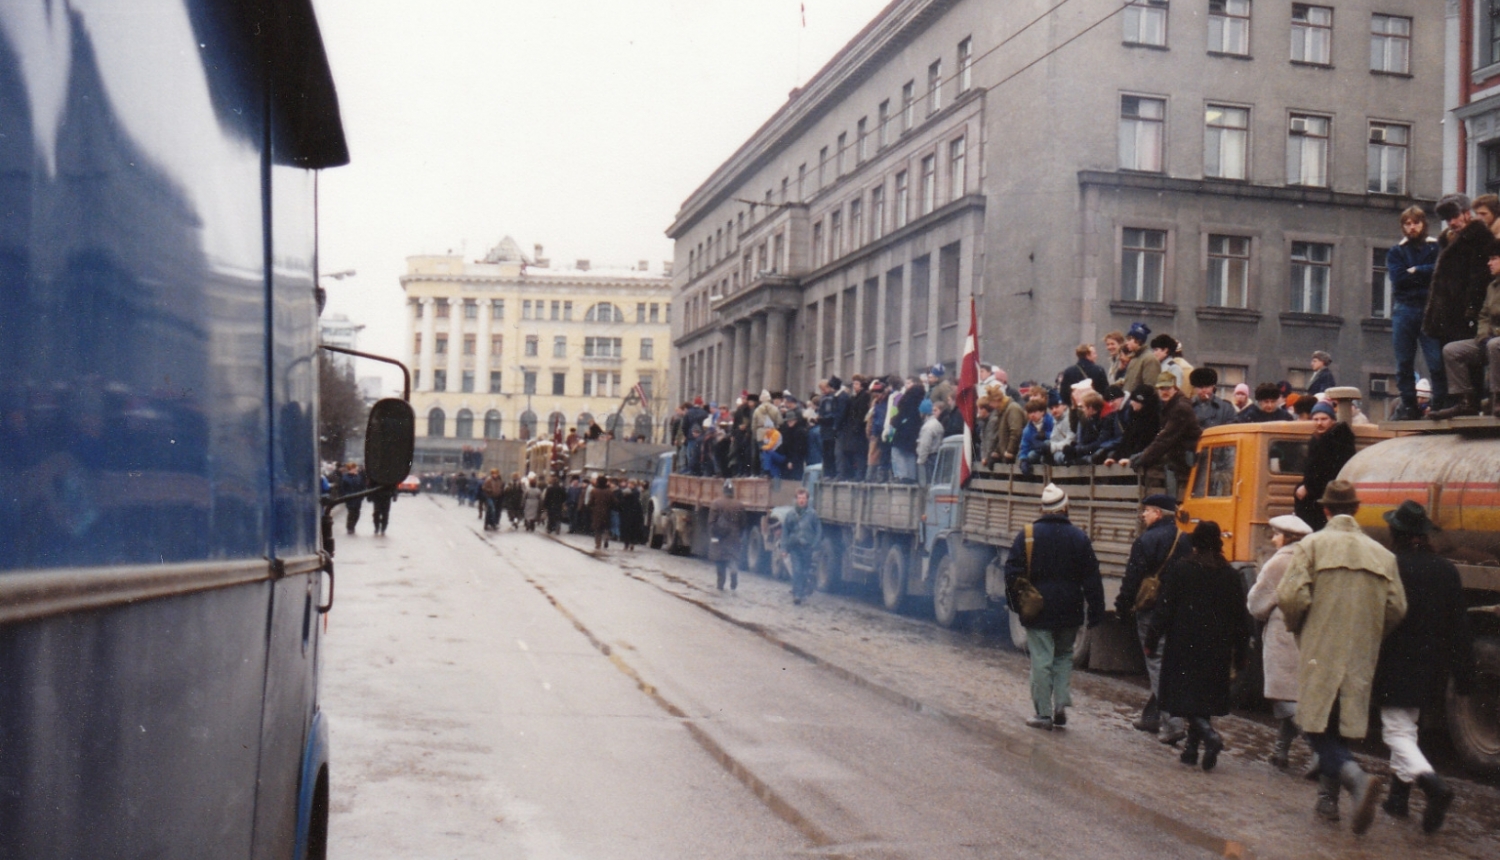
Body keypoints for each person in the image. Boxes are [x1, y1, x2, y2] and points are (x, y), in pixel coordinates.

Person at [1276, 480, 1406, 833]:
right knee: (1340, 724)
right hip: (1360, 652)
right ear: (1358, 509)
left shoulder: (1311, 546)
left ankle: (1355, 780)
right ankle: (1326, 801)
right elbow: (1396, 607)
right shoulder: (1383, 555)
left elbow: (1290, 597)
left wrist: (1301, 627)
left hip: (1320, 648)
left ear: (1325, 509)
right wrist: (1369, 634)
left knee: (1314, 724)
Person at [1374, 501, 1473, 832]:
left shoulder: (1390, 565)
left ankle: (1433, 786)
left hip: (1394, 659)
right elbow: (1459, 626)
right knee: (1408, 728)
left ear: (1396, 533)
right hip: (1432, 663)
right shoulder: (1446, 569)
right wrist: (1464, 675)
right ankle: (1398, 799)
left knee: (1395, 730)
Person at [1145, 522, 1249, 771]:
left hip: (1183, 644)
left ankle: (1208, 735)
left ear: (1195, 543)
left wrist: (1151, 639)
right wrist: (1241, 653)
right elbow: (1240, 619)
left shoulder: (1182, 569)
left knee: (1184, 697)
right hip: (1217, 647)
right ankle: (1191, 750)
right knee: (1203, 696)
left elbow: (1165, 609)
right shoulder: (1231, 576)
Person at [1004, 483, 1105, 730]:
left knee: (1041, 659)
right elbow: (1092, 577)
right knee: (1063, 656)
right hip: (1070, 609)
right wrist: (1095, 609)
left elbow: (1011, 573)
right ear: (1066, 507)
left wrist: (1016, 604)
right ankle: (1060, 703)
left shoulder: (1027, 535)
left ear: (1042, 508)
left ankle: (1043, 714)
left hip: (1037, 609)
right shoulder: (1080, 537)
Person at [1117, 493, 1192, 741]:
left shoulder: (1146, 541)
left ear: (1158, 513)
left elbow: (1132, 578)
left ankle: (1173, 724)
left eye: (1147, 510)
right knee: (1166, 662)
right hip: (1178, 611)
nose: (1143, 514)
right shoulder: (1185, 540)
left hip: (1151, 611)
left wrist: (1122, 605)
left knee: (1157, 662)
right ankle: (1151, 717)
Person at [1246, 514, 1315, 769]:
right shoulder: (1312, 559)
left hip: (1282, 632)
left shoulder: (1278, 562)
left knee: (1283, 696)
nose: (1273, 538)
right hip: (1306, 633)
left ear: (1286, 537)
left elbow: (1256, 604)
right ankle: (1280, 751)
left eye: (1276, 534)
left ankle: (1318, 749)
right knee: (1293, 692)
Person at [1424, 193, 1493, 415]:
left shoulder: (1479, 236)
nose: (1452, 222)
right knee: (1450, 355)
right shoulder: (1449, 238)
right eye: (1448, 219)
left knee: (1468, 357)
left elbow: (1479, 276)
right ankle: (1461, 401)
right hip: (1448, 311)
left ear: (1466, 213)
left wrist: (1472, 308)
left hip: (1465, 309)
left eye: (1455, 216)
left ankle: (1470, 403)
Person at [1387, 206, 1445, 419]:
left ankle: (1439, 404)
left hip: (1429, 309)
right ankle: (1409, 406)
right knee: (1404, 362)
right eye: (1408, 224)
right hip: (1404, 310)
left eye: (1416, 223)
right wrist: (1425, 274)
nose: (1412, 228)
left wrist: (1416, 270)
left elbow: (1439, 273)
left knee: (1436, 361)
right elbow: (1399, 280)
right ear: (1403, 226)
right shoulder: (1397, 251)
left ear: (1423, 224)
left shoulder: (1435, 247)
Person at [1434, 236, 1500, 418]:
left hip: (1497, 343)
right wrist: (1482, 336)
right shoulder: (1492, 287)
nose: (1489, 263)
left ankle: (1498, 399)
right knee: (1452, 350)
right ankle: (1466, 401)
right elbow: (1484, 315)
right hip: (1491, 341)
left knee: (1495, 346)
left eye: (1494, 258)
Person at [1123, 373, 1201, 498]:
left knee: (1154, 470)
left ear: (1175, 388)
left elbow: (1164, 440)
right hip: (1180, 455)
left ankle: (1163, 505)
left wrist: (1141, 458)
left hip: (1186, 457)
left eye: (1167, 388)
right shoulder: (1170, 405)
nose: (1164, 392)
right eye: (1161, 389)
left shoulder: (1180, 408)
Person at [1292, 401, 1357, 532]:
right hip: (1315, 495)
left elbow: (1329, 471)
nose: (1319, 423)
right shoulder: (1317, 439)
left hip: (1324, 497)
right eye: (1315, 419)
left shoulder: (1338, 441)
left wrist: (1308, 487)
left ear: (1332, 420)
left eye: (1324, 419)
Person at [781, 488, 822, 604]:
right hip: (794, 547)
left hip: (807, 548)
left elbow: (818, 531)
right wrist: (784, 548)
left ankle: (802, 591)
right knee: (797, 570)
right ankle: (797, 594)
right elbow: (785, 532)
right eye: (799, 498)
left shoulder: (812, 514)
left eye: (803, 498)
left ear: (807, 500)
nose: (801, 501)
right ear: (796, 500)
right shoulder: (790, 514)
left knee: (805, 571)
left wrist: (815, 545)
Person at [708, 480, 746, 590]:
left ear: (723, 491)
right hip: (734, 538)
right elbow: (743, 524)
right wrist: (739, 535)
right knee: (733, 559)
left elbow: (711, 522)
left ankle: (720, 584)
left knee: (720, 561)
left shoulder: (716, 503)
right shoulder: (739, 505)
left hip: (720, 537)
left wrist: (713, 536)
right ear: (733, 491)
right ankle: (733, 574)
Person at [888, 381, 925, 483]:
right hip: (912, 436)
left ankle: (902, 476)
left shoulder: (905, 402)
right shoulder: (919, 405)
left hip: (901, 435)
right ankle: (910, 477)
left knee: (898, 454)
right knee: (910, 456)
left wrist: (893, 421)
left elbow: (898, 419)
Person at [982, 386, 1027, 469]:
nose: (991, 406)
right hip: (1006, 456)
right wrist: (997, 452)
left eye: (991, 402)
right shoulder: (1002, 412)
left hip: (1014, 456)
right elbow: (1002, 435)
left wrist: (1010, 451)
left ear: (996, 400)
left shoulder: (1012, 409)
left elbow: (1016, 431)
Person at [838, 376, 870, 482]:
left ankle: (860, 474)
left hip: (858, 430)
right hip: (852, 429)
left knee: (860, 453)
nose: (854, 386)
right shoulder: (853, 397)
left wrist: (856, 427)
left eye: (856, 384)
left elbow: (861, 413)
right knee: (852, 452)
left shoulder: (864, 396)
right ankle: (854, 474)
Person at [817, 378, 847, 478]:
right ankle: (829, 473)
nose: (822, 391)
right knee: (828, 453)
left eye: (823, 388)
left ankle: (829, 473)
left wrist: (819, 419)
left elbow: (829, 414)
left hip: (828, 429)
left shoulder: (829, 398)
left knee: (829, 453)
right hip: (827, 429)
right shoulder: (827, 397)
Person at [1016, 397, 1054, 475]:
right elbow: (1024, 448)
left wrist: (1046, 435)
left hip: (1052, 451)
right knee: (1030, 455)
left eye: (1035, 412)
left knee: (1047, 443)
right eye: (1030, 412)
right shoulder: (1027, 430)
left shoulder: (1051, 421)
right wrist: (1023, 460)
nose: (1032, 415)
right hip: (1037, 452)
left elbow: (1058, 436)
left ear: (1042, 412)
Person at [1120, 323, 1161, 395]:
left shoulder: (1149, 359)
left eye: (1129, 339)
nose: (1127, 343)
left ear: (1138, 340)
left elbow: (1150, 388)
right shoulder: (1135, 358)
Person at [917, 399, 944, 484]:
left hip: (929, 459)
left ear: (923, 413)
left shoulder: (927, 427)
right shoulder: (938, 424)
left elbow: (925, 445)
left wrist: (921, 461)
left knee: (928, 484)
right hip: (937, 456)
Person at [616, 480, 647, 551]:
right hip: (627, 514)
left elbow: (634, 502)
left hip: (632, 515)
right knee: (627, 530)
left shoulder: (635, 492)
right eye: (629, 483)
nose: (629, 485)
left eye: (630, 483)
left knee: (631, 530)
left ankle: (631, 544)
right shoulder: (629, 492)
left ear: (633, 484)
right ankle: (627, 544)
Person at [589, 475, 615, 551]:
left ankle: (598, 544)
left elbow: (591, 502)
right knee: (606, 527)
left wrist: (590, 507)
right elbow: (614, 502)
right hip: (606, 512)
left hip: (596, 512)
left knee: (597, 529)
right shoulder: (609, 491)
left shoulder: (594, 491)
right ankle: (606, 538)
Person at [339, 462, 365, 536]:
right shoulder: (345, 477)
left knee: (357, 513)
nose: (355, 469)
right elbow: (342, 488)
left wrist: (362, 495)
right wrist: (345, 496)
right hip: (350, 498)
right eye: (354, 468)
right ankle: (350, 528)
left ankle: (352, 526)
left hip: (358, 498)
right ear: (350, 469)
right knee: (351, 513)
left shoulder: (358, 477)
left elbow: (362, 486)